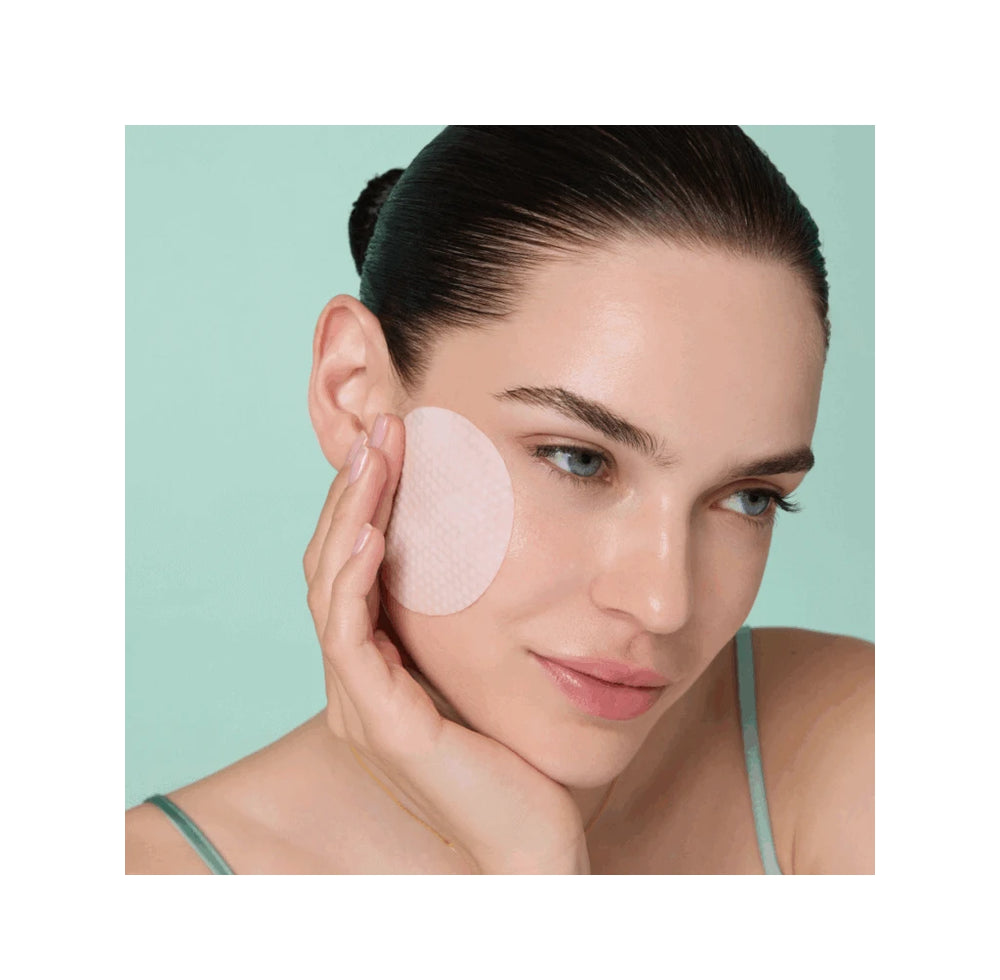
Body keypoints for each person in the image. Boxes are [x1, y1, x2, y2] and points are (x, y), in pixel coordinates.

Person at [125, 126, 874, 874]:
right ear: (353, 392)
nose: (662, 605)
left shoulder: (855, 750)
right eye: (580, 460)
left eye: (750, 498)